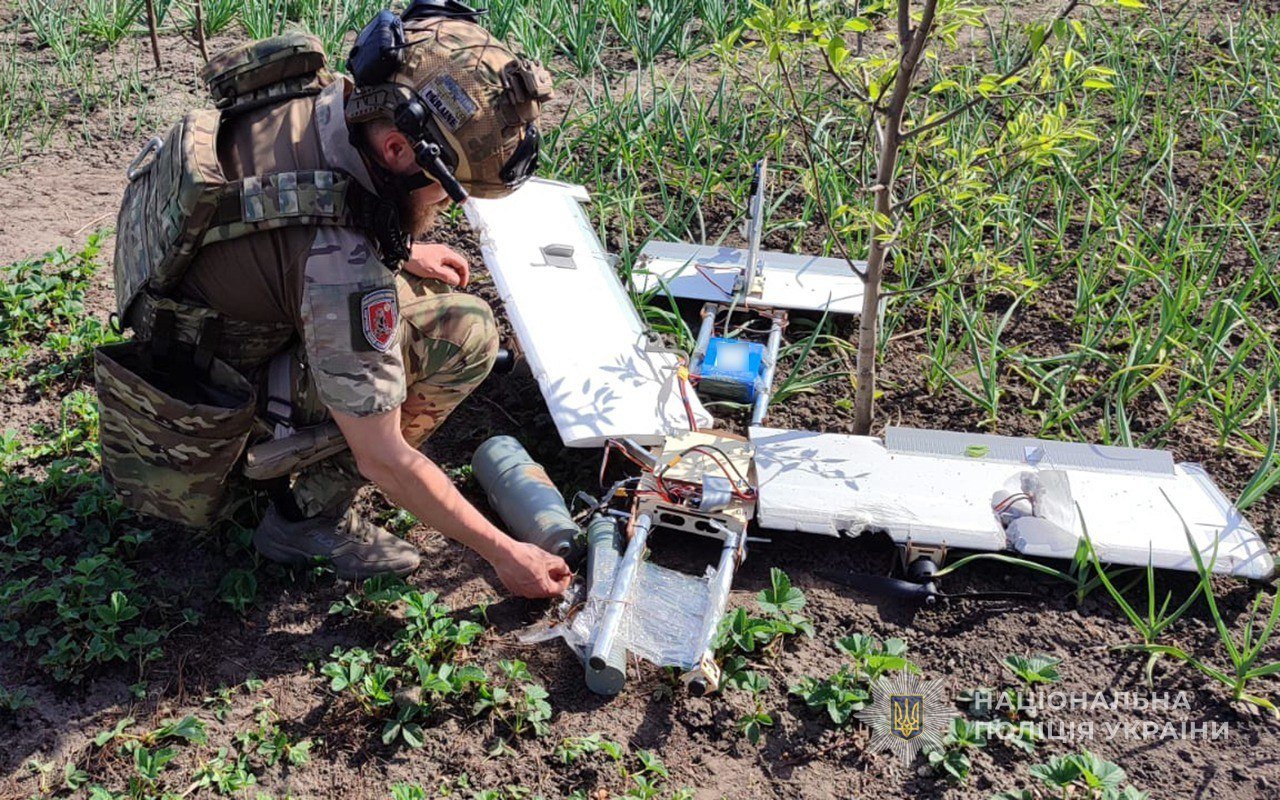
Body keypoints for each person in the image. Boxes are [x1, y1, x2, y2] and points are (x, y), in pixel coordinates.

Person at [132, 6, 571, 597]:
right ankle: (304, 517)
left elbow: (294, 211)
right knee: (465, 334)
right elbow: (383, 458)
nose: (448, 203)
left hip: (189, 322)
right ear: (396, 149)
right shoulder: (342, 272)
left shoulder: (316, 96)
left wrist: (401, 246)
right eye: (447, 186)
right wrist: (505, 553)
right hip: (209, 400)